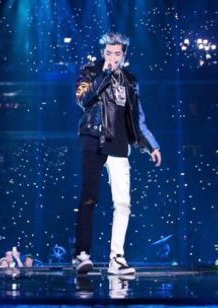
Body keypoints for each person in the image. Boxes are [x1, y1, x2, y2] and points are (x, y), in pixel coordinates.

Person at [73, 32, 161, 275]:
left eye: (117, 54)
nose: (112, 58)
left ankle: (117, 258)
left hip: (119, 144)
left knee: (123, 203)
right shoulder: (90, 72)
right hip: (93, 138)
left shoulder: (130, 81)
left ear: (124, 55)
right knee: (89, 197)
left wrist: (151, 145)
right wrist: (104, 75)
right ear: (103, 53)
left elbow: (137, 118)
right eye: (109, 53)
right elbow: (83, 99)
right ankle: (81, 254)